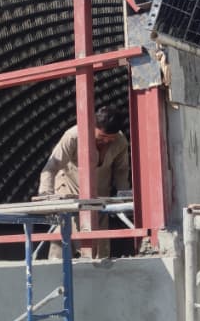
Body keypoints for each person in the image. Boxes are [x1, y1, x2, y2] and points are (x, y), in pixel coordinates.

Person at [36, 105, 131, 258]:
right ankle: (56, 270)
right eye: (102, 137)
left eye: (110, 138)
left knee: (99, 252)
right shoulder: (73, 136)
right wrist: (45, 195)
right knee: (61, 244)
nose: (106, 141)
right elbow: (52, 166)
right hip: (68, 196)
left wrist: (124, 199)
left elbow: (121, 171)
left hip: (99, 200)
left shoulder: (120, 142)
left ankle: (97, 271)